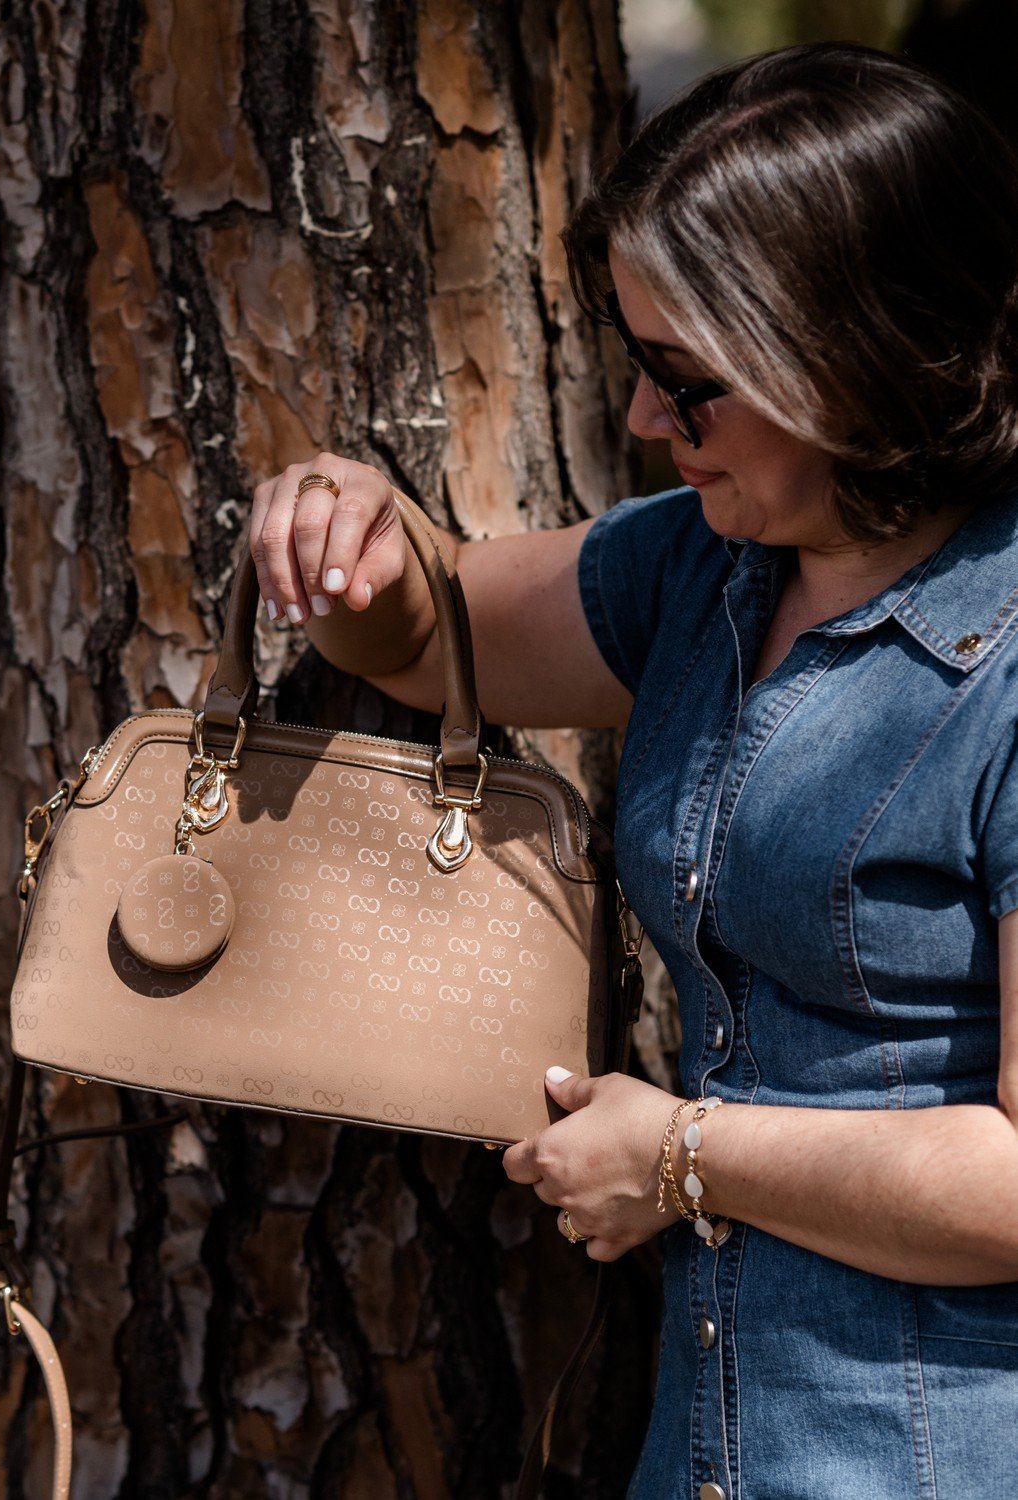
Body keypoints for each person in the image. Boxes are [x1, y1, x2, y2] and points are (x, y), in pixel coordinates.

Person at [244, 42, 1018, 1499]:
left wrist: (680, 1155)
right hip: (717, 1448)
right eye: (632, 368)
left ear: (850, 354)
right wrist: (346, 528)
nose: (646, 423)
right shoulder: (701, 571)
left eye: (688, 383)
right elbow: (433, 628)